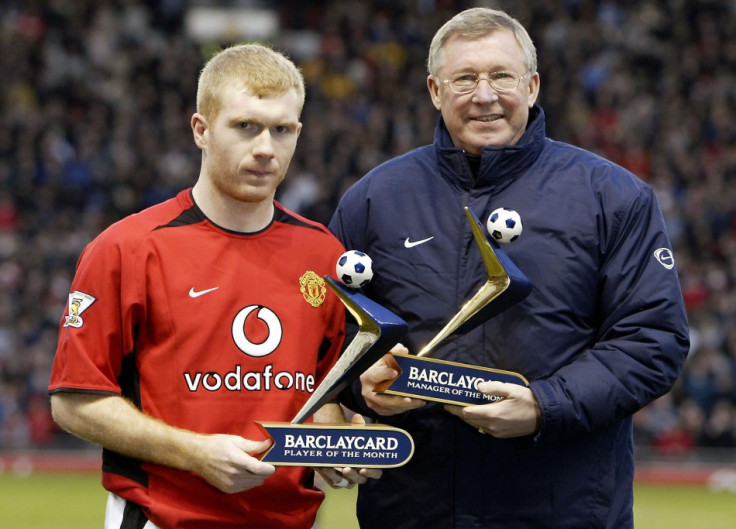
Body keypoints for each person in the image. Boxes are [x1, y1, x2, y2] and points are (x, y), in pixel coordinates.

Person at [329, 7, 689, 529]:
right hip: (415, 511)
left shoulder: (613, 197)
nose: (484, 94)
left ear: (533, 85)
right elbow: (329, 336)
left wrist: (546, 406)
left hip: (564, 511)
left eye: (501, 75)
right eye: (464, 79)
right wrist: (361, 384)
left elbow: (653, 340)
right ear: (434, 90)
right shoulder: (373, 200)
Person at [48, 43, 379, 529]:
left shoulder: (325, 256)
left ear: (299, 134)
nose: (265, 148)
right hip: (164, 519)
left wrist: (330, 443)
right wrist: (194, 453)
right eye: (245, 126)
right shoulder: (128, 248)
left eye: (282, 130)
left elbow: (323, 391)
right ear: (201, 129)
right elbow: (73, 400)